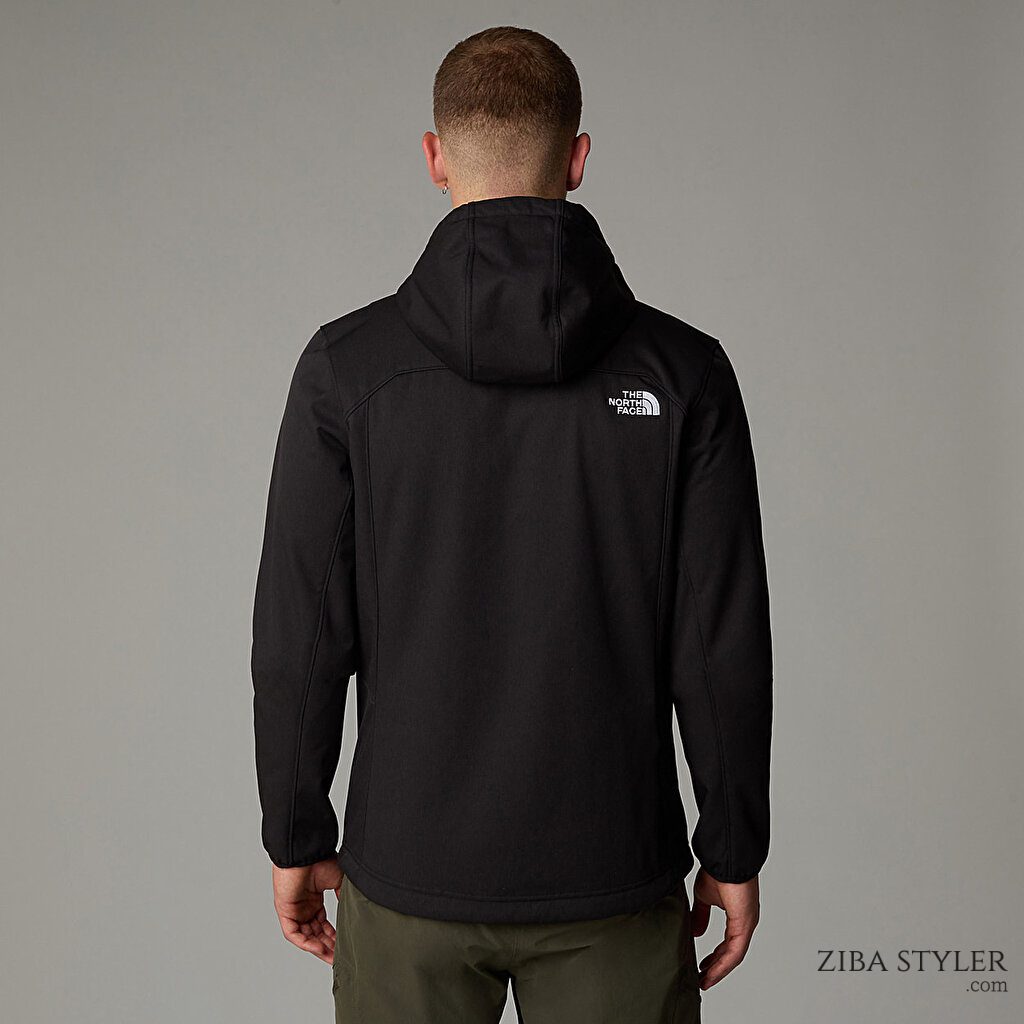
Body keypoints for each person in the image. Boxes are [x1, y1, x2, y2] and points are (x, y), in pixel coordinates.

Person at [251, 25, 773, 1024]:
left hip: (407, 876)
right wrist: (733, 844)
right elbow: (720, 644)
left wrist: (294, 830)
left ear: (434, 157)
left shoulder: (347, 370)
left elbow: (299, 639)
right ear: (577, 158)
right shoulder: (684, 374)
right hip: (614, 877)